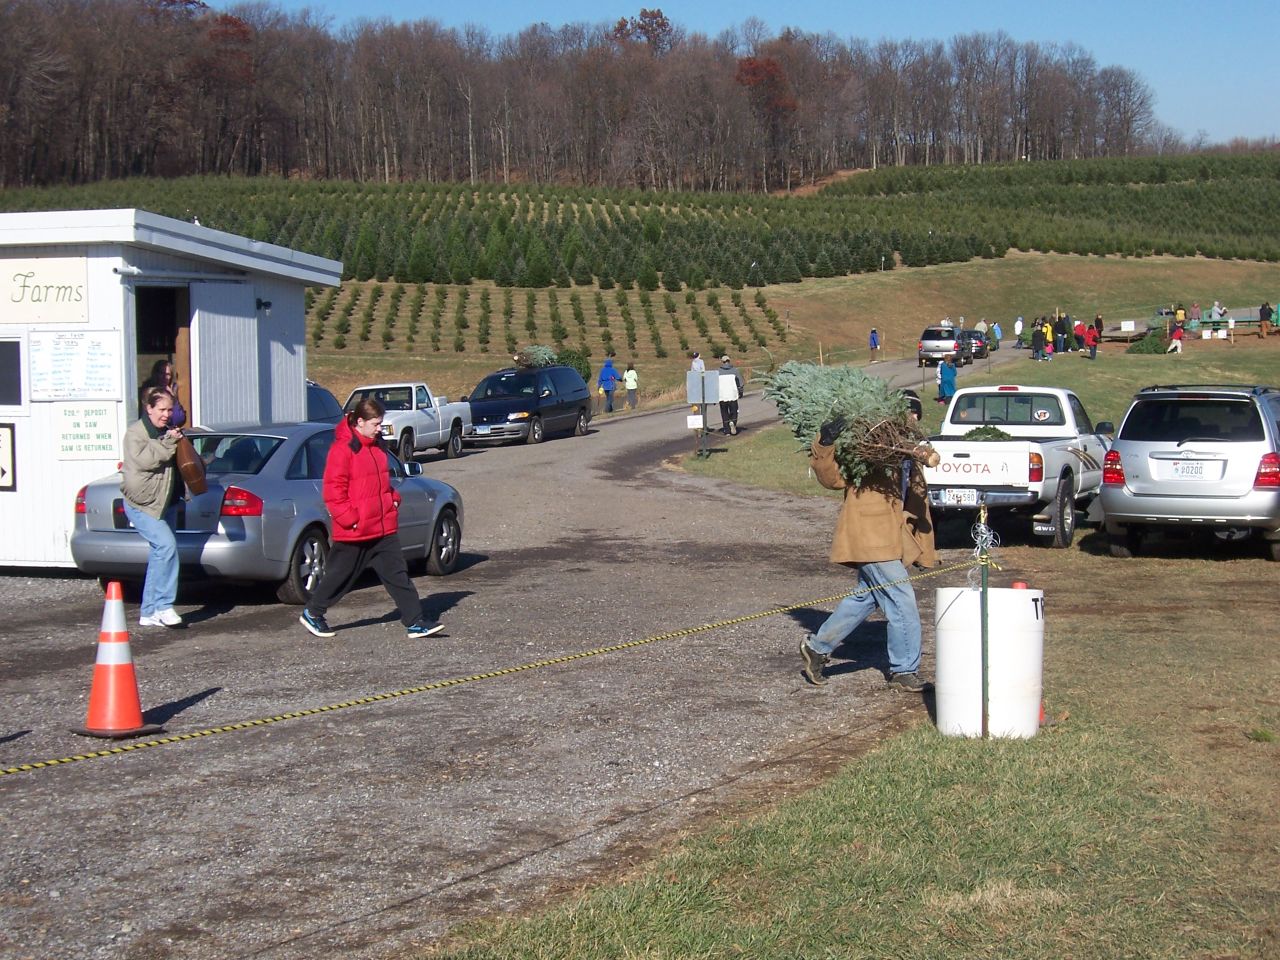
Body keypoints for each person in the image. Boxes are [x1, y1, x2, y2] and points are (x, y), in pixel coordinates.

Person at [798, 416, 937, 692]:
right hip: (870, 535)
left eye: (915, 415)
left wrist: (923, 548)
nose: (912, 419)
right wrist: (825, 443)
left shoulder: (909, 452)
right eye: (907, 414)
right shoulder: (870, 447)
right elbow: (833, 478)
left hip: (893, 538)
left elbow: (916, 500)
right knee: (901, 599)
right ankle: (904, 670)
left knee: (867, 596)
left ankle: (817, 647)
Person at [299, 398, 442, 641]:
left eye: (380, 423)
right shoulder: (342, 450)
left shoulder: (377, 447)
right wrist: (349, 518)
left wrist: (392, 499)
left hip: (382, 527)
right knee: (339, 575)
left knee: (398, 575)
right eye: (375, 423)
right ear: (360, 422)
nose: (379, 428)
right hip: (356, 530)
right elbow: (333, 490)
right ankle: (313, 612)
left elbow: (381, 483)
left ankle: (415, 622)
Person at [122, 387, 185, 628]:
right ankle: (164, 605)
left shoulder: (166, 430)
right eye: (161, 409)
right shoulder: (135, 433)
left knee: (160, 555)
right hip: (143, 504)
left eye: (169, 409)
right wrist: (170, 441)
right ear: (148, 408)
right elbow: (146, 459)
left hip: (164, 503)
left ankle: (148, 612)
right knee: (167, 547)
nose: (166, 414)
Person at [138, 358, 186, 427]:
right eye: (161, 373)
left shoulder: (173, 390)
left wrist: (172, 398)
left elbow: (178, 418)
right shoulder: (148, 392)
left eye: (167, 374)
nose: (164, 377)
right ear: (155, 374)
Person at [717, 355, 744, 434]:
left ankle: (727, 430)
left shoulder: (718, 372)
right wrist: (741, 392)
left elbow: (714, 384)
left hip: (722, 395)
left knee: (724, 412)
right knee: (734, 411)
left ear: (722, 362)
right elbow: (740, 383)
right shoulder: (735, 370)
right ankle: (733, 423)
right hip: (732, 395)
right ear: (729, 361)